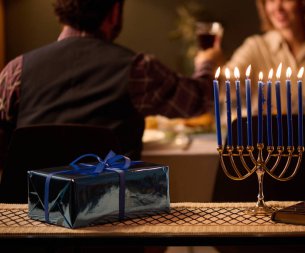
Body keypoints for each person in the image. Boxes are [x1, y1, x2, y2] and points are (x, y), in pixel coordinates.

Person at [0, 0, 220, 164]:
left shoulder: (15, 71)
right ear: (114, 12)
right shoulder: (138, 70)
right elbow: (199, 99)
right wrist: (206, 62)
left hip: (30, 215)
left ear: (61, 13)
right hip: (113, 213)